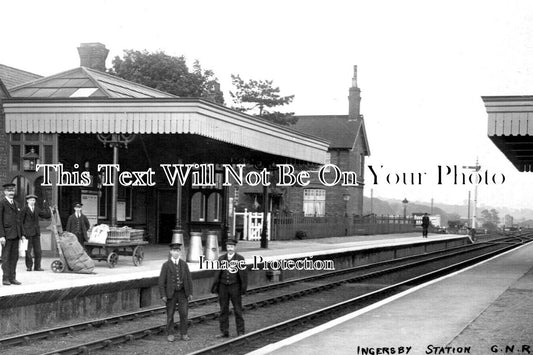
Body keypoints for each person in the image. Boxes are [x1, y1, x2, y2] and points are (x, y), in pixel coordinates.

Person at [211, 239, 248, 338]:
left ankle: (240, 331)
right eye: (228, 247)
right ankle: (224, 331)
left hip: (235, 287)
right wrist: (216, 287)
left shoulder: (240, 259)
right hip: (223, 287)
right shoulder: (221, 258)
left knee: (237, 309)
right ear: (226, 248)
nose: (230, 249)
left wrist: (243, 289)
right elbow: (218, 273)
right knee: (223, 310)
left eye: (231, 247)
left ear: (235, 247)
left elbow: (244, 275)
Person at [158, 237, 193, 342]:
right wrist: (163, 295)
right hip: (170, 294)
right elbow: (161, 281)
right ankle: (170, 334)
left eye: (177, 251)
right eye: (174, 251)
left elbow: (189, 279)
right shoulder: (166, 265)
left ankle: (184, 333)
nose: (176, 253)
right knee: (170, 315)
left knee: (184, 314)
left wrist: (190, 292)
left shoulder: (184, 264)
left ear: (180, 252)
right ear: (170, 252)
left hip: (182, 293)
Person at [0, 183, 24, 285]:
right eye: (9, 191)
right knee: (6, 258)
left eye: (12, 191)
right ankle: (5, 278)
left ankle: (12, 278)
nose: (11, 193)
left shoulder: (16, 203)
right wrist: (1, 235)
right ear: (5, 192)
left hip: (16, 235)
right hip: (6, 235)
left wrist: (22, 234)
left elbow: (19, 220)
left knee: (14, 257)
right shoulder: (1, 203)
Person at [21, 194, 51, 271]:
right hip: (27, 233)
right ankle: (29, 266)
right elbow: (20, 222)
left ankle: (37, 267)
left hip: (36, 233)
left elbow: (46, 215)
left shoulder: (37, 209)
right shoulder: (24, 209)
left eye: (34, 200)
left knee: (38, 251)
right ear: (27, 201)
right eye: (31, 200)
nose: (32, 202)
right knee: (28, 251)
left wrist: (49, 208)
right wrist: (22, 234)